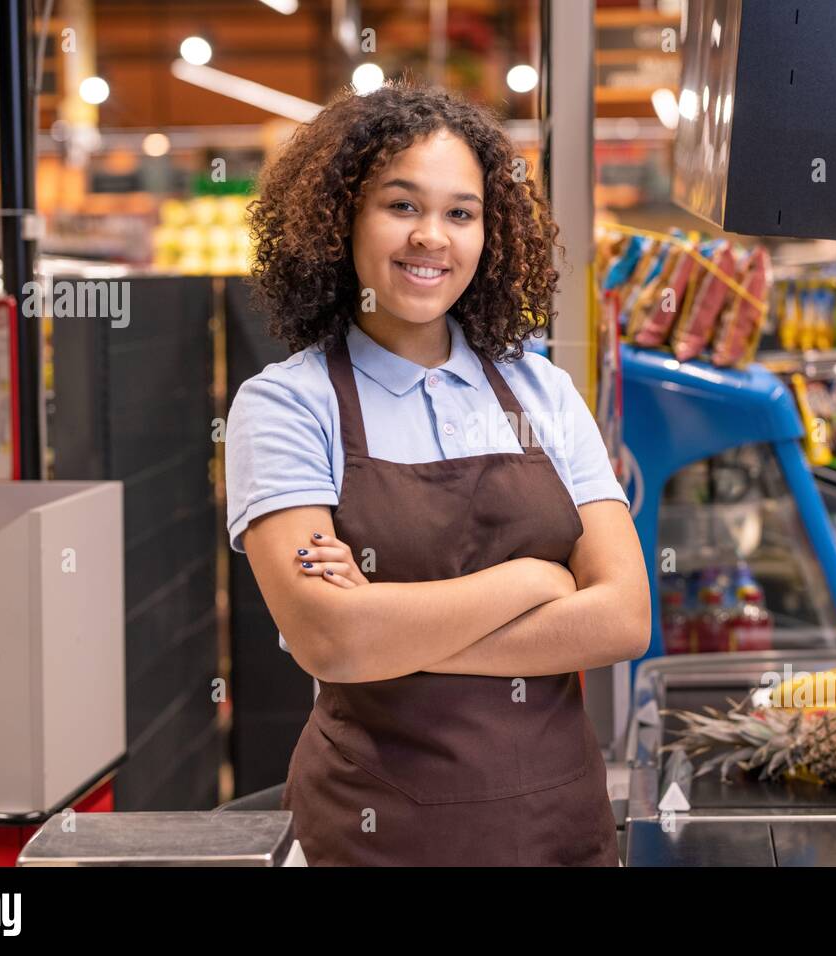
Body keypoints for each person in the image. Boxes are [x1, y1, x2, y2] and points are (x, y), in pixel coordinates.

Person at [225, 80, 651, 866]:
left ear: (490, 232)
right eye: (401, 205)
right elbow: (330, 637)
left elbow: (624, 619)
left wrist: (385, 630)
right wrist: (533, 579)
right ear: (341, 217)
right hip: (372, 837)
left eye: (461, 212)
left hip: (559, 830)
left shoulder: (541, 389)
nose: (433, 237)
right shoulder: (286, 405)